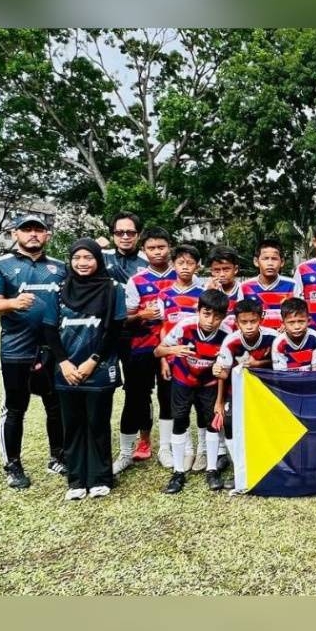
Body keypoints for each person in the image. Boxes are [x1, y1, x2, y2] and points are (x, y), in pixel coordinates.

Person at [0, 214, 67, 489]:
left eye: (39, 230)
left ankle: (58, 456)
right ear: (14, 234)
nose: (33, 234)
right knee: (16, 408)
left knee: (55, 406)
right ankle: (13, 465)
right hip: (16, 349)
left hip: (53, 349)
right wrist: (14, 303)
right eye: (27, 229)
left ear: (47, 236)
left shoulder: (59, 267)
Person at [42, 239, 125, 500]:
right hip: (66, 370)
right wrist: (64, 362)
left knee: (97, 422)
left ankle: (100, 478)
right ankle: (76, 480)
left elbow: (115, 330)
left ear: (98, 260)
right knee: (73, 424)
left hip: (99, 368)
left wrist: (93, 360)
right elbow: (49, 330)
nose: (82, 263)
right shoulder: (58, 288)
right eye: (77, 257)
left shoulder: (113, 289)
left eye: (88, 257)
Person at [155, 289, 231, 494]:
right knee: (179, 420)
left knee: (211, 424)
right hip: (183, 381)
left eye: (217, 316)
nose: (210, 320)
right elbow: (158, 350)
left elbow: (227, 366)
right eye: (206, 314)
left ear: (223, 317)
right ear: (198, 311)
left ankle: (212, 469)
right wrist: (173, 350)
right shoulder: (184, 326)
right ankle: (178, 472)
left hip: (208, 384)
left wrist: (220, 394)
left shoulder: (227, 334)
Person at [122, 227, 179, 470]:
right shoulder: (136, 280)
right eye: (151, 248)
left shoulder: (182, 275)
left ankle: (165, 447)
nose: (157, 252)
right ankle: (143, 442)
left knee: (168, 396)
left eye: (161, 247)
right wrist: (141, 314)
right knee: (138, 395)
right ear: (144, 251)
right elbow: (124, 317)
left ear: (170, 248)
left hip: (172, 348)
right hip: (141, 347)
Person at [212, 298, 277, 491]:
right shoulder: (230, 341)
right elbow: (223, 374)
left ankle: (270, 465)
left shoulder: (273, 337)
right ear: (236, 322)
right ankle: (240, 468)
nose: (249, 326)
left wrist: (259, 364)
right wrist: (219, 401)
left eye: (253, 321)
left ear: (261, 318)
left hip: (267, 391)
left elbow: (280, 363)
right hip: (237, 393)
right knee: (230, 423)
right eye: (244, 322)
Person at [101, 211, 151, 462]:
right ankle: (103, 438)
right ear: (112, 235)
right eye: (119, 232)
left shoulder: (146, 261)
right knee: (104, 386)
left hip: (138, 335)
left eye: (130, 232)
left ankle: (144, 439)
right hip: (106, 333)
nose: (125, 237)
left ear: (138, 235)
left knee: (138, 390)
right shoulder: (100, 257)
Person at [239, 238, 297, 331]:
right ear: (256, 261)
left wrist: (289, 326)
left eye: (274, 259)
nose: (270, 263)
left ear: (282, 262)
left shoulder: (293, 285)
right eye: (265, 258)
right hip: (256, 342)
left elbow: (299, 315)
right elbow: (240, 318)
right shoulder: (244, 287)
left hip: (284, 340)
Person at [271, 297, 316, 371]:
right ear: (283, 323)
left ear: (309, 321)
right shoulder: (278, 343)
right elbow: (281, 373)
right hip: (289, 380)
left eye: (301, 321)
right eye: (291, 322)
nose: (297, 327)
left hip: (311, 379)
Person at [205, 245, 243, 325]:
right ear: (211, 271)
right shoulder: (207, 289)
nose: (222, 274)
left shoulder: (243, 290)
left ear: (235, 269)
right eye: (217, 270)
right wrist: (210, 294)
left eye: (226, 270)